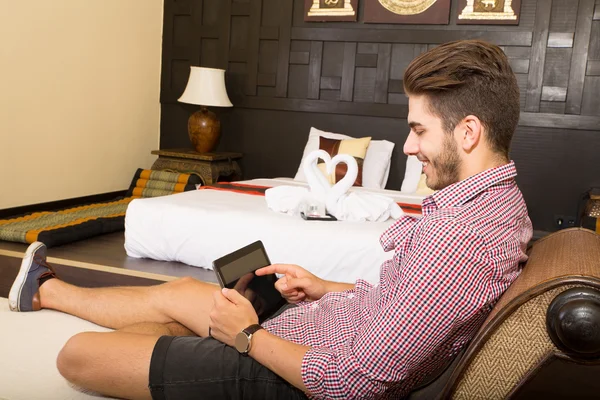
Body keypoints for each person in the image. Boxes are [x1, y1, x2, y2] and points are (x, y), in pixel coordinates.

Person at [8, 39, 533, 400]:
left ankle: (182, 344)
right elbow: (410, 301)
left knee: (76, 356)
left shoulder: (467, 238)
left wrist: (247, 337)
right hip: (315, 328)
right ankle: (45, 292)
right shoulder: (487, 208)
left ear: (467, 133)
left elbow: (354, 385)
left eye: (419, 130)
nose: (409, 145)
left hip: (292, 374)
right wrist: (325, 286)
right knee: (183, 298)